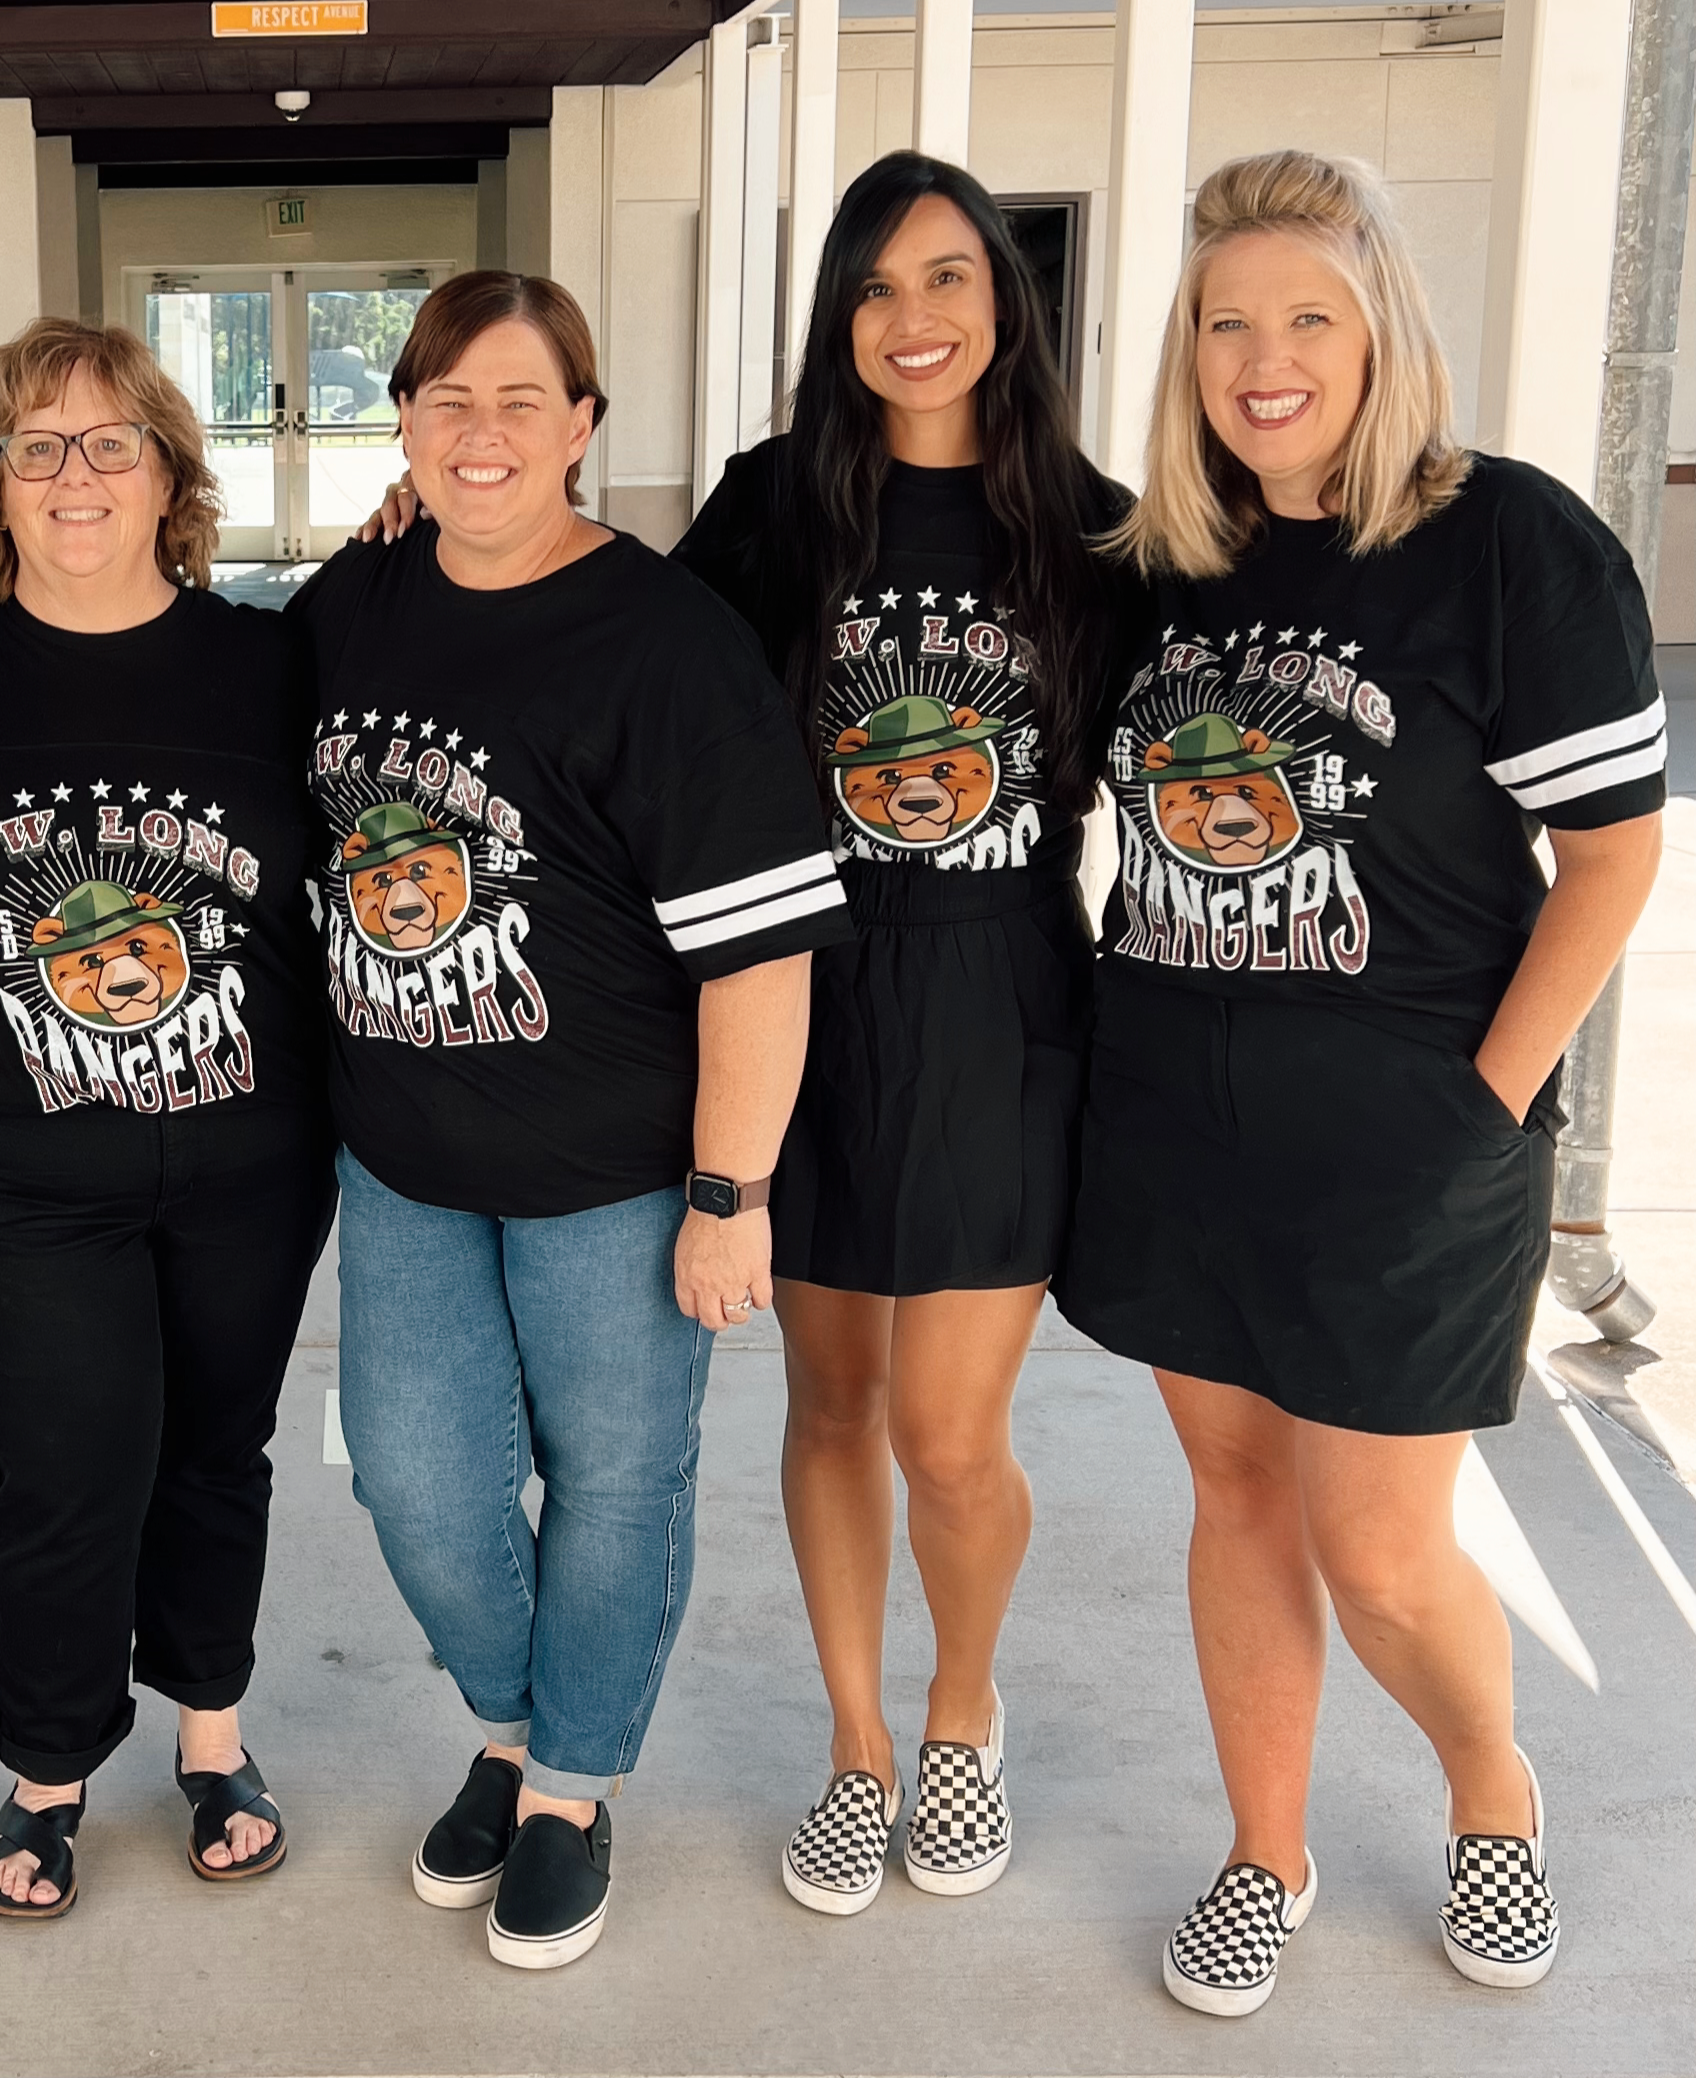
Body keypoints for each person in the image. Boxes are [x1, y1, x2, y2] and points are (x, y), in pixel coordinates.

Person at [1057, 149, 1665, 2016]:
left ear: (1379, 321)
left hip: (1410, 1138)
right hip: (1172, 1123)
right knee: (1235, 1497)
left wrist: (1486, 1106)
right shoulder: (1163, 562)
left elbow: (1615, 857)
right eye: (1226, 320)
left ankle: (1494, 1790)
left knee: (1383, 1549)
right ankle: (1267, 1851)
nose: (1264, 356)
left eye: (1305, 315)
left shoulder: (1509, 541)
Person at [297, 271, 850, 1972]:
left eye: (521, 400)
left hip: (618, 1175)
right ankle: (516, 1720)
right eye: (446, 399)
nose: (481, 434)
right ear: (401, 421)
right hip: (405, 1160)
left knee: (615, 1480)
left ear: (586, 427)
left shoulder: (663, 642)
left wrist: (731, 1191)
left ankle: (568, 1780)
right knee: (418, 1478)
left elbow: (760, 949)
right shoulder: (356, 603)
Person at [669, 151, 1135, 1914]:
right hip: (809, 999)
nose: (914, 318)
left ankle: (963, 1712)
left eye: (949, 279)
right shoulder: (770, 508)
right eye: (876, 287)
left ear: (1007, 304)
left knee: (951, 1431)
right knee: (831, 1401)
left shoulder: (1094, 528)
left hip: (1004, 1001)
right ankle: (859, 1744)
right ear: (837, 319)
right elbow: (631, 674)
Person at [0, 319, 333, 1918]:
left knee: (220, 1448)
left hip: (248, 1158)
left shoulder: (272, 661)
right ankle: (49, 1770)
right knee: (67, 1469)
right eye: (36, 446)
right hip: (22, 1173)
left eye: (112, 442)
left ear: (169, 475)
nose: (75, 475)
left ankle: (212, 1736)